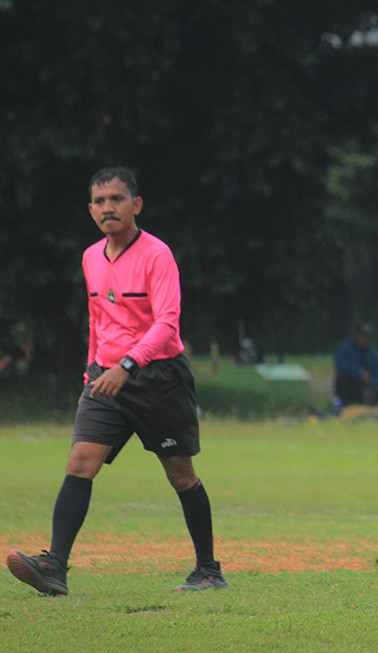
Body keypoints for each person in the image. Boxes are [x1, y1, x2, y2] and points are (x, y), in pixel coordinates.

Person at [5, 167, 226, 596]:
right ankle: (55, 566)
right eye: (100, 201)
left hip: (156, 377)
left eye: (117, 199)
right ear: (91, 210)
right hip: (106, 377)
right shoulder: (90, 257)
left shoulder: (157, 255)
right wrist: (92, 366)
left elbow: (168, 322)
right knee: (80, 462)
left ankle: (208, 570)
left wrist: (126, 365)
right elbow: (97, 317)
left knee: (180, 474)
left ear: (136, 205)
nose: (109, 207)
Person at [334, 322, 378, 407]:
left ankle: (370, 404)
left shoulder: (373, 352)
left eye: (367, 337)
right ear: (356, 336)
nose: (364, 340)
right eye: (362, 336)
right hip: (350, 384)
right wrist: (358, 372)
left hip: (366, 387)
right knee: (342, 379)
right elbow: (340, 365)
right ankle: (345, 403)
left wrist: (371, 388)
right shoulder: (345, 347)